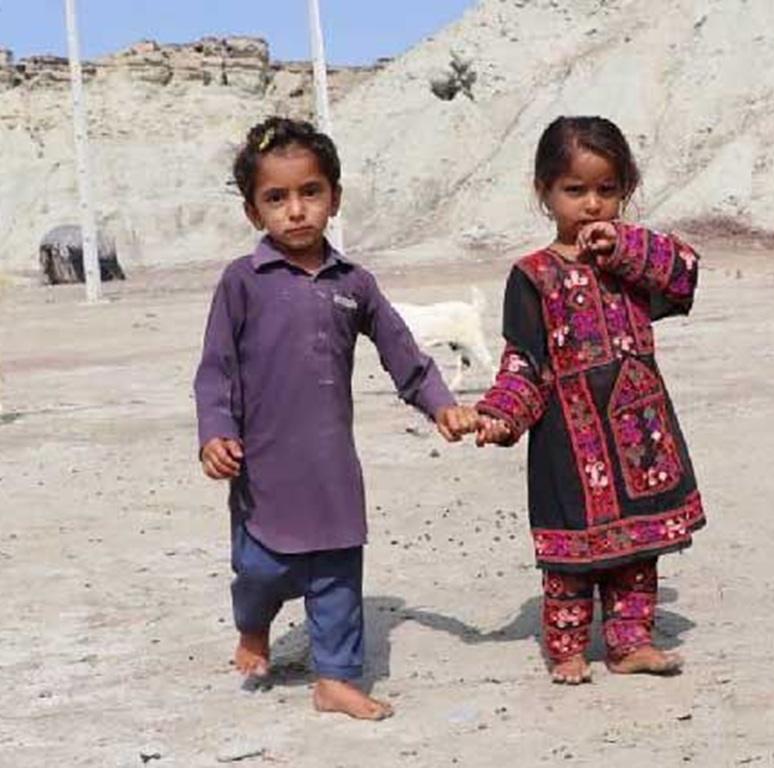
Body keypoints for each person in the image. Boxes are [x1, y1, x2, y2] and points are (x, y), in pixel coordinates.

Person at [194, 116, 477, 719]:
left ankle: (337, 678)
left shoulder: (356, 284)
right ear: (253, 212)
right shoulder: (242, 283)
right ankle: (253, 629)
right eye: (276, 198)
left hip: (331, 470)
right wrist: (215, 433)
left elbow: (404, 352)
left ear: (334, 198)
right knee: (258, 572)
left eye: (310, 193)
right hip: (261, 470)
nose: (295, 211)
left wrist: (441, 407)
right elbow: (215, 369)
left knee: (339, 574)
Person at [475, 116, 705, 684]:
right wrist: (501, 416)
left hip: (638, 432)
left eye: (607, 190)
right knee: (570, 555)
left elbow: (685, 276)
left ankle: (631, 645)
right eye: (575, 191)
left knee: (636, 553)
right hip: (567, 442)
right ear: (544, 192)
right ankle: (567, 649)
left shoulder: (630, 261)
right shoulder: (532, 276)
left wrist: (625, 244)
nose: (592, 204)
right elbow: (523, 361)